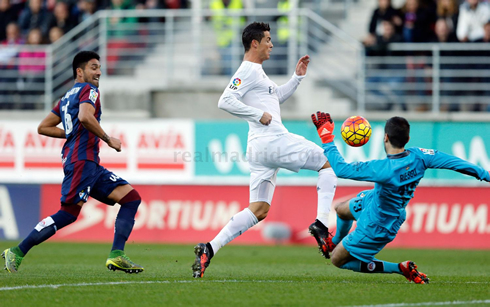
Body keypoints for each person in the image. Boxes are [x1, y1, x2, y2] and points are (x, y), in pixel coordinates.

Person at [191, 22, 338, 278]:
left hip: (259, 148)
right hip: (272, 140)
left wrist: (297, 78)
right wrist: (258, 115)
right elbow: (225, 100)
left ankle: (209, 248)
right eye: (268, 39)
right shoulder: (247, 70)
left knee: (258, 209)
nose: (272, 44)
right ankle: (323, 225)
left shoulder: (258, 73)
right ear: (254, 43)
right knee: (328, 163)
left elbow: (273, 98)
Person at [2, 51, 144, 274]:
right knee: (68, 214)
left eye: (99, 67)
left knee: (131, 198)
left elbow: (44, 127)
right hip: (81, 161)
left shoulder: (67, 96)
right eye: (93, 67)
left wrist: (70, 132)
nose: (98, 72)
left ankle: (117, 255)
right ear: (80, 72)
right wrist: (108, 139)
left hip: (89, 164)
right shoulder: (89, 90)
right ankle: (17, 251)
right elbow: (85, 117)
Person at [310, 112, 490, 284]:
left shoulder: (383, 168)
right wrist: (484, 174)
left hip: (378, 224)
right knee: (341, 209)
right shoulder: (419, 156)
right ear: (408, 139)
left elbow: (342, 169)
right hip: (377, 201)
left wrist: (326, 137)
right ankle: (331, 243)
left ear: (385, 137)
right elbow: (454, 163)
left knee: (337, 260)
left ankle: (399, 268)